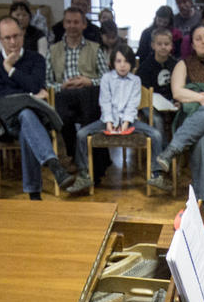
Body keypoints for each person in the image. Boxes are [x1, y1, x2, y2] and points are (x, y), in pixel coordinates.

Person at [146, 23, 204, 214]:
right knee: (202, 137)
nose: (203, 41)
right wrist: (201, 98)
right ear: (193, 44)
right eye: (198, 38)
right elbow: (178, 92)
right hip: (192, 115)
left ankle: (171, 150)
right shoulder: (183, 64)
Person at [0, 16, 73, 200]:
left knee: (26, 117)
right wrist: (30, 96)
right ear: (0, 40)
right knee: (26, 113)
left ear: (23, 35)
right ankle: (52, 166)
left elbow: (35, 84)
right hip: (6, 121)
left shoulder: (36, 59)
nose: (13, 42)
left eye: (16, 36)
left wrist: (11, 70)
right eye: (7, 38)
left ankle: (35, 191)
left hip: (36, 119)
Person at [65, 44, 165, 194]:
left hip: (130, 121)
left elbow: (133, 103)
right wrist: (109, 123)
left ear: (131, 63)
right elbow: (105, 101)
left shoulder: (135, 80)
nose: (122, 65)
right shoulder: (106, 78)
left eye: (126, 61)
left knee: (156, 134)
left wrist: (125, 122)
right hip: (107, 120)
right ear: (113, 63)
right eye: (118, 61)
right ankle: (84, 174)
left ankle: (156, 174)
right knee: (81, 134)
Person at [46, 7, 110, 180]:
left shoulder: (95, 49)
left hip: (88, 94)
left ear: (83, 25)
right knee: (62, 115)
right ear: (63, 24)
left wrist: (89, 81)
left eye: (76, 22)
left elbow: (106, 78)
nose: (72, 26)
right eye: (68, 22)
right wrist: (62, 86)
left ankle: (91, 164)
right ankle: (77, 156)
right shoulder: (53, 50)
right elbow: (47, 82)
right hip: (63, 95)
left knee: (87, 99)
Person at [136, 27, 177, 143]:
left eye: (166, 44)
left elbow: (180, 86)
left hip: (171, 102)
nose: (163, 47)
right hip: (150, 103)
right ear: (153, 45)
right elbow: (142, 90)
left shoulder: (176, 65)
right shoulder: (145, 67)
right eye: (159, 44)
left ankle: (176, 150)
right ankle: (161, 154)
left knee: (181, 117)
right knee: (157, 120)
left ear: (171, 46)